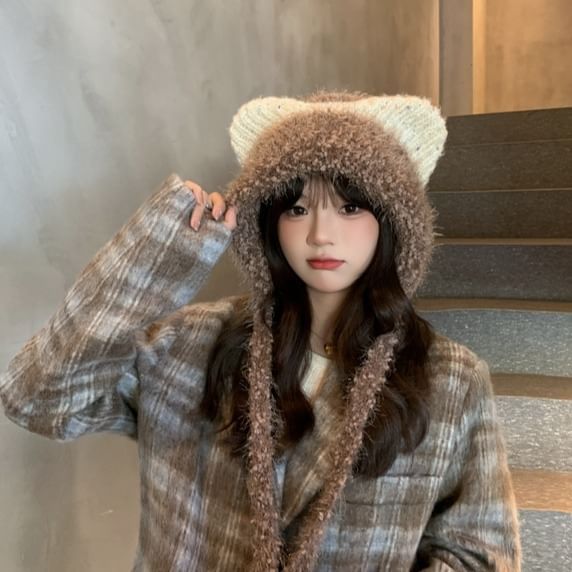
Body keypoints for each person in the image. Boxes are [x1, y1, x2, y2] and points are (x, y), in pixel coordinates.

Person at [0, 91, 521, 571]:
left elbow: (479, 553)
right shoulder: (187, 345)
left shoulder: (451, 379)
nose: (320, 234)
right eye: (296, 208)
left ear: (393, 221)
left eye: (350, 206)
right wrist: (161, 256)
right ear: (267, 222)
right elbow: (38, 400)